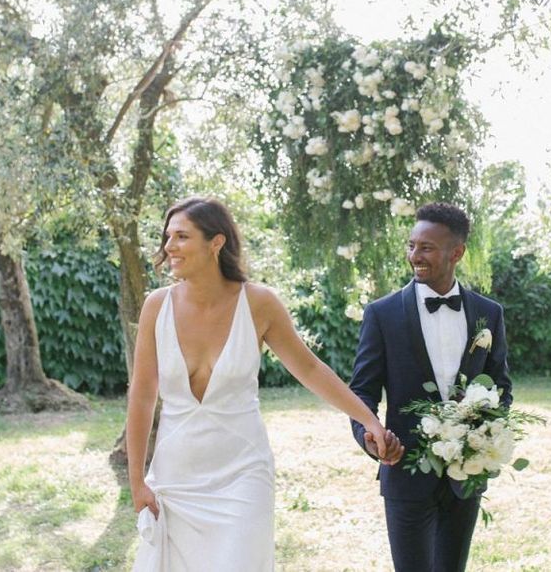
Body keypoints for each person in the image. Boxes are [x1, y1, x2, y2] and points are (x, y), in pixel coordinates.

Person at [127, 196, 402, 571]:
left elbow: (310, 369)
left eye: (181, 236)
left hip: (242, 474)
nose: (168, 247)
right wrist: (136, 481)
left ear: (216, 242)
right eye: (167, 237)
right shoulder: (156, 306)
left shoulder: (258, 303)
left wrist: (369, 419)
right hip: (176, 480)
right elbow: (142, 396)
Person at [349, 202, 512, 572]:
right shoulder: (382, 314)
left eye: (426, 248)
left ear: (457, 252)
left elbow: (501, 387)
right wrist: (369, 435)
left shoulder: (489, 314)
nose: (414, 256)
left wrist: (484, 438)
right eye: (411, 246)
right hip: (405, 470)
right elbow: (362, 391)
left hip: (465, 477)